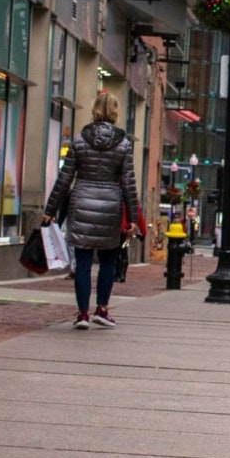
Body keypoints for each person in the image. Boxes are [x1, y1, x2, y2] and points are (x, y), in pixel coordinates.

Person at [43, 92, 140, 329]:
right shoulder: (124, 145)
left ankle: (83, 314)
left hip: (82, 203)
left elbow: (65, 178)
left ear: (94, 109)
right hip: (110, 205)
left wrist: (50, 209)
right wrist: (133, 217)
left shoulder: (79, 141)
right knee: (108, 260)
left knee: (83, 261)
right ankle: (102, 309)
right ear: (115, 112)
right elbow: (128, 182)